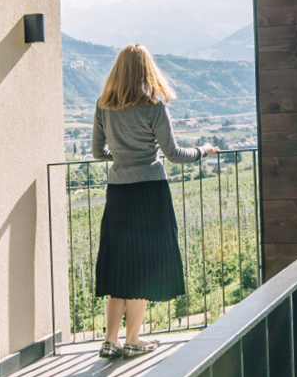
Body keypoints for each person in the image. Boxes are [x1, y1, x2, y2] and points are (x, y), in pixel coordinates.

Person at [90, 44, 217, 359]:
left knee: (119, 265)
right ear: (147, 71)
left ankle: (111, 340)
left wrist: (121, 158)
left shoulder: (103, 106)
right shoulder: (154, 107)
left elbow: (97, 153)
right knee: (142, 265)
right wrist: (204, 150)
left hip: (118, 193)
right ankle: (133, 339)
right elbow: (174, 155)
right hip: (149, 193)